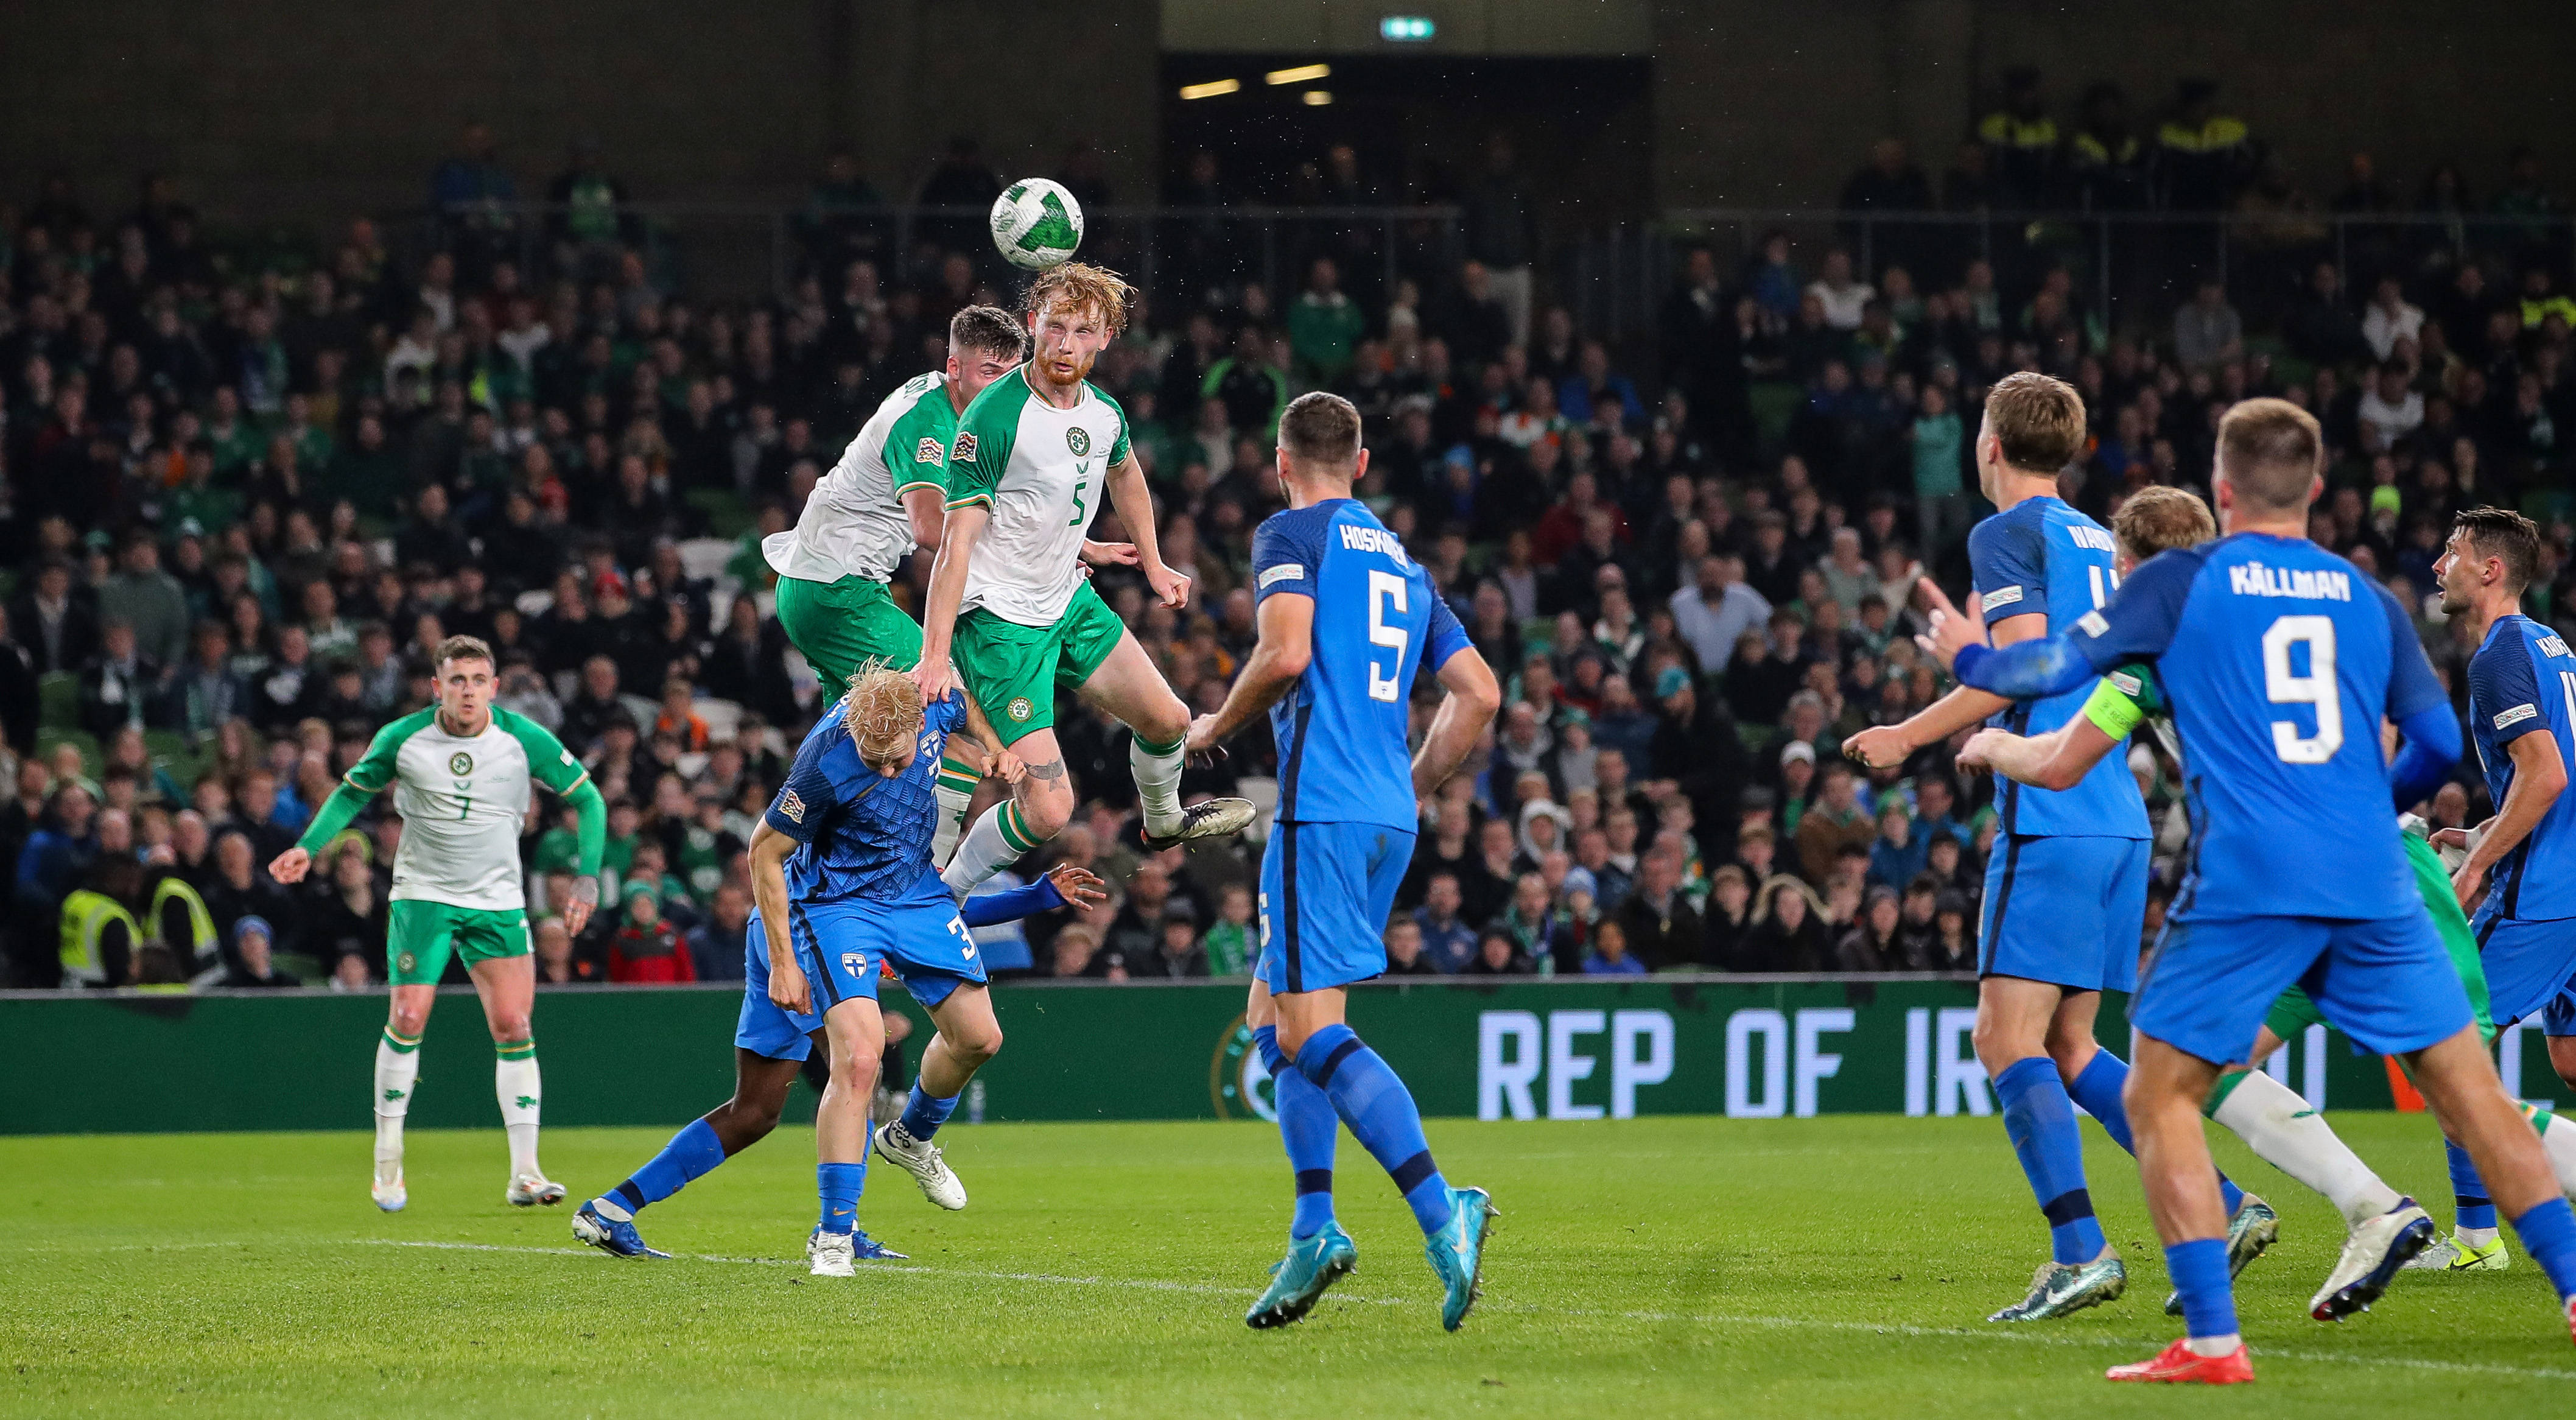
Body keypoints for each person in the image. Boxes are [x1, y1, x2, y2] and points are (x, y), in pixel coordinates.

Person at [1926, 398, 2576, 1384]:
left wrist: (1967, 658)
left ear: (2222, 490)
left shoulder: (2182, 582)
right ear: (2313, 489)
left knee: (2158, 1090)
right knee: (2472, 1096)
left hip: (2253, 881)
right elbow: (2437, 745)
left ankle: (2212, 1340)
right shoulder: (2365, 597)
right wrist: (2362, 806)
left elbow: (2056, 663)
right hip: (2374, 873)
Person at [1960, 485, 2488, 1316]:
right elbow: (2414, 737)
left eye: (2121, 567)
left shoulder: (2156, 649)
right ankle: (2355, 1213)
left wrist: (1980, 702)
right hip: (2364, 865)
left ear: (2133, 568)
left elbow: (2056, 741)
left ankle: (2196, 1301)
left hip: (2279, 879)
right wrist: (2373, 808)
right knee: (2212, 1069)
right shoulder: (2310, 611)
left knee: (2167, 1071)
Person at [1844, 373, 2185, 1326]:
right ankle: (2223, 1202)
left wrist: (1905, 734)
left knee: (2002, 1037)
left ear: (1988, 443)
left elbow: (2018, 671)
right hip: (2117, 812)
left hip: (2050, 808)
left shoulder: (2005, 532)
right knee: (2068, 1045)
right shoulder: (2097, 535)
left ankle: (2078, 1251)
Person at [571, 666, 1098, 1266]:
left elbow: (963, 709)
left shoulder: (932, 703)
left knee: (757, 1111)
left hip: (844, 914)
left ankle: (611, 1209)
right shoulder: (824, 763)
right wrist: (784, 964)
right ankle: (835, 1234)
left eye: (898, 760)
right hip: (810, 919)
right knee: (859, 1063)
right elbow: (764, 852)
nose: (889, 772)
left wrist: (996, 750)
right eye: (876, 760)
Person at [1182, 391, 1503, 1332]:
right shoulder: (1403, 564)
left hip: (1318, 810)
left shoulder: (1290, 534)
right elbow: (1478, 694)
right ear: (1361, 463)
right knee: (1276, 1021)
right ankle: (1312, 1227)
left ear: (1280, 462)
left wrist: (1213, 727)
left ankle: (1444, 1211)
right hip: (1384, 818)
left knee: (1309, 1034)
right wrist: (1412, 784)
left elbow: (1283, 656)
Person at [911, 264, 1253, 899]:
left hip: (1067, 601)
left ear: (1106, 338)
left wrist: (1153, 562)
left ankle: (1163, 823)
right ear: (1032, 325)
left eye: (1083, 332)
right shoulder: (994, 418)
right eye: (1055, 327)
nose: (1066, 345)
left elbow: (1124, 474)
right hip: (1002, 625)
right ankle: (945, 895)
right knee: (1048, 810)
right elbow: (955, 545)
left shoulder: (1103, 412)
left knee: (1170, 721)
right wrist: (934, 655)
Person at [268, 636, 606, 1213]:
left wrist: (587, 879)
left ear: (493, 688)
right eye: (456, 681)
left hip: (497, 902)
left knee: (514, 1024)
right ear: (437, 688)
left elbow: (590, 801)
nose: (467, 691)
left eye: (477, 681)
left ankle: (525, 1173)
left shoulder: (523, 739)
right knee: (407, 1017)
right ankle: (387, 1160)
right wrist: (308, 846)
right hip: (423, 897)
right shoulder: (402, 739)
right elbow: (350, 795)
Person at [762, 306, 1030, 863]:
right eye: (988, 372)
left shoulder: (963, 408)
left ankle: (818, 872)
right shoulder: (926, 422)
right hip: (836, 592)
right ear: (954, 367)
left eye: (1011, 374)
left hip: (821, 587)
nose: (1001, 387)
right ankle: (922, 878)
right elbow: (932, 529)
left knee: (860, 749)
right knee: (947, 710)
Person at [2427, 508, 2576, 1267]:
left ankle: (2478, 1237)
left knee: (2445, 1044)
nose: (2437, 566)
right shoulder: (2552, 646)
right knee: (2570, 1058)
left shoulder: (2498, 656)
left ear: (2490, 570)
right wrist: (2481, 831)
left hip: (2545, 895)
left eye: (2451, 552)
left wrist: (2480, 865)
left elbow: (2545, 775)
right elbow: (2555, 773)